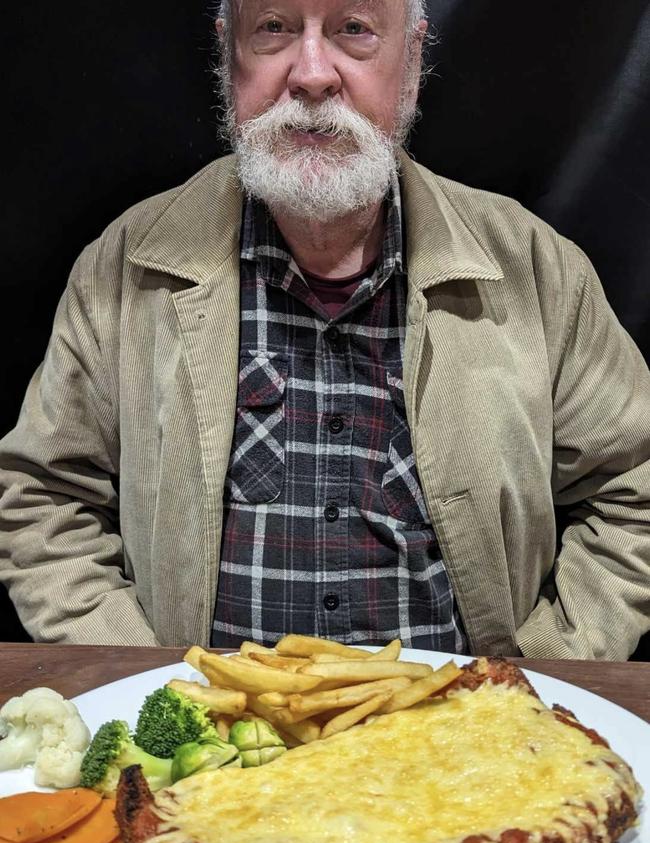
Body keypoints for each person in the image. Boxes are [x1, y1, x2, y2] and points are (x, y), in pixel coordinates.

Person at [1, 0, 649, 659]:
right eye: (275, 29)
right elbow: (39, 501)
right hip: (216, 746)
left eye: (355, 30)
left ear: (413, 60)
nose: (312, 74)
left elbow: (638, 489)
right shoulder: (123, 266)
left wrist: (536, 679)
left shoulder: (538, 270)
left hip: (463, 745)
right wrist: (147, 687)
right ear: (230, 57)